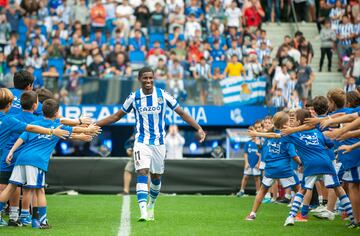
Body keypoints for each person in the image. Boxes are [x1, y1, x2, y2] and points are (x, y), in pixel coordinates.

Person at [95, 67, 206, 221]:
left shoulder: (163, 95)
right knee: (142, 172)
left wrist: (199, 128)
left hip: (160, 143)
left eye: (151, 78)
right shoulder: (134, 97)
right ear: (140, 79)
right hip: (141, 142)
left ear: (154, 79)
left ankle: (151, 204)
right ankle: (143, 213)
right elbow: (116, 116)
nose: (148, 81)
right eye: (145, 78)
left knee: (156, 177)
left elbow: (182, 113)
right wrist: (95, 124)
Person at [0, 99, 98, 228]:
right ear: (57, 112)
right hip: (37, 162)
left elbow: (22, 137)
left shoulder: (35, 123)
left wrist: (11, 151)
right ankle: (42, 222)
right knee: (39, 190)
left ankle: (29, 219)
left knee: (11, 187)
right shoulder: (57, 126)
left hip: (21, 159)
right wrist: (88, 129)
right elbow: (73, 130)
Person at [245, 112, 301, 220]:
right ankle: (299, 213)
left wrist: (257, 135)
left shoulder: (269, 136)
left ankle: (252, 214)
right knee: (300, 190)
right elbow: (293, 155)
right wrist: (301, 163)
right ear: (284, 124)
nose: (290, 122)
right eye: (289, 120)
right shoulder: (288, 136)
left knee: (262, 191)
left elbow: (265, 151)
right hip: (285, 169)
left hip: (270, 169)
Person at [236, 127, 261, 197]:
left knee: (257, 178)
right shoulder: (248, 143)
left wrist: (258, 163)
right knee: (245, 176)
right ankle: (241, 191)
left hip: (256, 164)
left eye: (252, 132)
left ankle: (258, 192)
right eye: (249, 132)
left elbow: (261, 153)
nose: (251, 134)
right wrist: (246, 162)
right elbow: (246, 153)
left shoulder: (259, 142)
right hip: (249, 163)